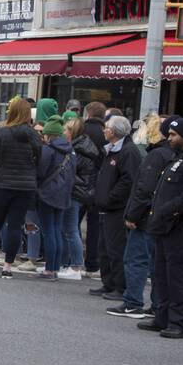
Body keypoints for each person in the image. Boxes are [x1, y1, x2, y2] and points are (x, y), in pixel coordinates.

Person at [111, 114, 175, 318]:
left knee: (136, 259)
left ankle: (132, 302)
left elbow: (144, 189)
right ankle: (157, 305)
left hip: (146, 217)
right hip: (162, 217)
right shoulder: (174, 155)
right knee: (157, 264)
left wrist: (132, 215)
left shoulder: (156, 156)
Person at [137, 115, 183, 339]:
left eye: (173, 135)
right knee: (161, 274)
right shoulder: (177, 158)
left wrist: (165, 210)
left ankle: (178, 323)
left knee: (177, 277)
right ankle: (162, 317)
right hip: (164, 227)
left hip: (179, 228)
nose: (169, 138)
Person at [0, 96, 42, 277]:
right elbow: (40, 158)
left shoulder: (1, 133)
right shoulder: (34, 136)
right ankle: (7, 266)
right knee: (15, 225)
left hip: (2, 183)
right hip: (26, 185)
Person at [90, 115, 140, 302]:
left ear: (114, 131)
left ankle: (120, 286)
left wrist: (110, 198)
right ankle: (108, 282)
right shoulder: (111, 150)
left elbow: (128, 181)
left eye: (107, 128)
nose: (104, 130)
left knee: (116, 248)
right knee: (104, 247)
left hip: (117, 208)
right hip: (105, 206)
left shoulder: (128, 151)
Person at [35, 116, 76, 281]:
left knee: (48, 231)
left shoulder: (48, 150)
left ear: (48, 134)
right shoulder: (71, 151)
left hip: (47, 194)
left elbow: (40, 171)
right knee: (57, 229)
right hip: (64, 194)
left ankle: (49, 269)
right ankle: (55, 267)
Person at [61, 115, 99, 280]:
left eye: (66, 129)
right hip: (79, 191)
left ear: (72, 132)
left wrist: (63, 174)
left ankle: (75, 265)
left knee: (71, 229)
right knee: (70, 228)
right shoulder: (82, 147)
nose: (63, 132)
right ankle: (70, 263)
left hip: (75, 192)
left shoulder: (78, 150)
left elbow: (75, 173)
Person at [81, 101, 109, 276]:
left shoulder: (81, 129)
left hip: (79, 182)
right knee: (94, 226)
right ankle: (92, 262)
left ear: (88, 114)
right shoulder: (106, 133)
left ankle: (71, 260)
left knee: (71, 224)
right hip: (99, 183)